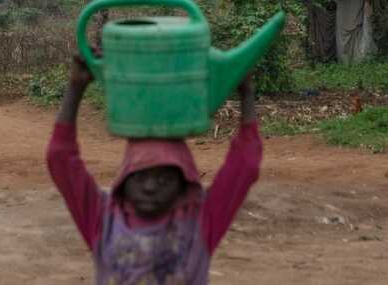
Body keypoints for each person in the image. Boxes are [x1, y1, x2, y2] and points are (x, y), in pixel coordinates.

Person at [47, 54, 261, 283]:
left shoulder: (200, 219)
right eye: (139, 177)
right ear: (123, 179)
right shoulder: (103, 217)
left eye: (165, 179)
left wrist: (246, 93)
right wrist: (75, 87)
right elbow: (61, 159)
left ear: (183, 183)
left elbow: (244, 165)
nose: (150, 187)